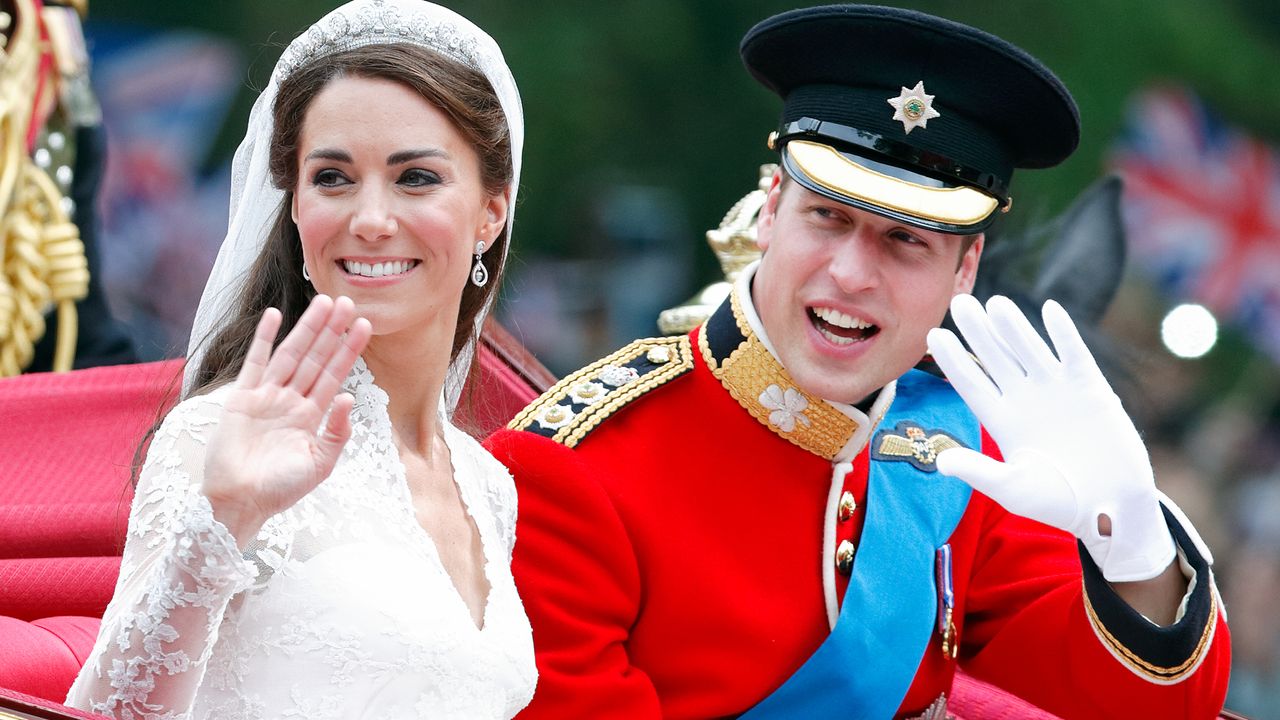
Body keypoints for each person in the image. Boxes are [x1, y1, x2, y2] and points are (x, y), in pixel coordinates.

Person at [486, 5, 1230, 719]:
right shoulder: (573, 468)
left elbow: (1144, 704)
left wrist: (1131, 542)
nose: (851, 274)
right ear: (771, 206)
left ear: (966, 267)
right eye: (829, 217)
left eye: (906, 242)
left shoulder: (961, 458)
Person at [65, 1, 535, 718]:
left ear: (491, 211)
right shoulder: (216, 437)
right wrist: (225, 516)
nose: (371, 221)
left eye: (415, 178)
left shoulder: (489, 486)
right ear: (292, 207)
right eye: (333, 178)